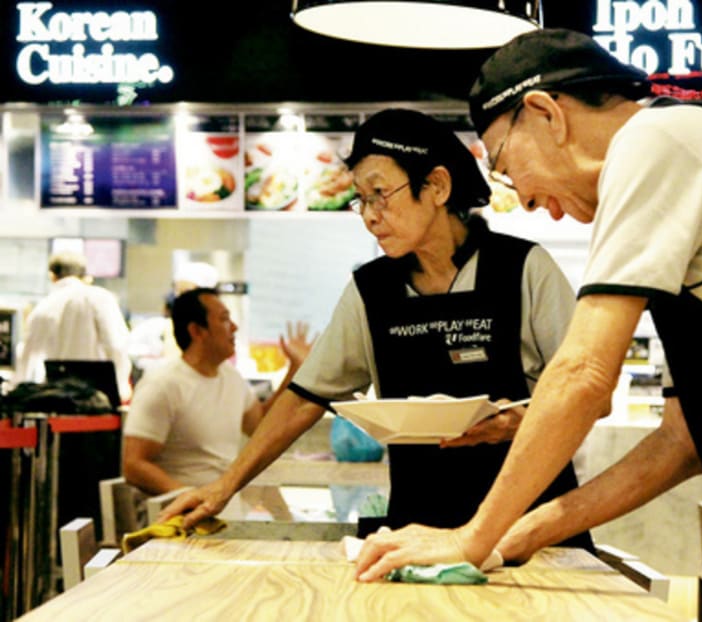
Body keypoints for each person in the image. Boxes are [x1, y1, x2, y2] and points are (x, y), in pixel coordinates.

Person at [352, 28, 702, 619]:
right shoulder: (672, 186)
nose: (523, 200)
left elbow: (583, 371)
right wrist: (517, 537)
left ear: (546, 113)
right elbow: (680, 444)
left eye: (504, 165)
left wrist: (470, 537)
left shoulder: (657, 140)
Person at [159, 108, 593, 550]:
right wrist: (224, 486)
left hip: (534, 527)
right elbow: (306, 397)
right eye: (361, 199)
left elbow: (588, 394)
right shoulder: (372, 289)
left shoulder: (522, 268)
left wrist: (520, 422)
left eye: (380, 193)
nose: (369, 215)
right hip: (418, 526)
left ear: (437, 186)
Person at [122, 288, 314, 495]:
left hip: (222, 506)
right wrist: (190, 497)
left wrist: (295, 369)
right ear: (197, 331)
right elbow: (133, 465)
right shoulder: (163, 384)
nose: (234, 327)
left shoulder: (231, 377)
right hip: (179, 517)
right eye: (224, 320)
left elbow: (260, 425)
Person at [11, 250, 132, 403]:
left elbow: (26, 359)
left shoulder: (42, 307)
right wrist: (121, 387)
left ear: (52, 276)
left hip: (59, 398)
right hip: (99, 396)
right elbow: (117, 345)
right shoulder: (99, 298)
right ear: (85, 276)